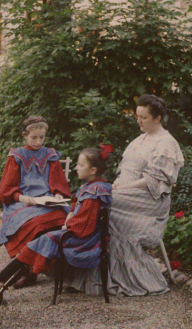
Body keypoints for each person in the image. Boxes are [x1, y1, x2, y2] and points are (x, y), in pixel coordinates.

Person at [65, 94, 184, 296]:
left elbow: (153, 181)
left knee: (103, 202)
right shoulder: (140, 139)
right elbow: (124, 172)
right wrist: (116, 185)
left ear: (157, 118)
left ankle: (112, 276)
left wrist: (120, 189)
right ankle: (84, 271)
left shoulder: (166, 144)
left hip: (149, 201)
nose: (138, 120)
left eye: (143, 117)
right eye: (137, 116)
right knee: (93, 198)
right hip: (127, 193)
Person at [0, 147, 113, 305]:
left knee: (38, 245)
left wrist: (67, 224)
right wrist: (71, 214)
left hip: (82, 241)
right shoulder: (90, 187)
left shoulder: (95, 191)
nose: (76, 168)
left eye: (80, 165)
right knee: (36, 247)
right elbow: (76, 206)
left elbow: (85, 225)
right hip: (76, 235)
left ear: (93, 170)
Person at [0, 116, 71, 290]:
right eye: (34, 137)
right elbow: (6, 188)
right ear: (25, 135)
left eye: (42, 137)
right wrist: (22, 197)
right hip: (23, 201)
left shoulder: (50, 155)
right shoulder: (17, 155)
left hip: (46, 201)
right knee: (36, 224)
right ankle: (28, 272)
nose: (38, 141)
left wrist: (57, 195)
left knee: (60, 218)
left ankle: (29, 273)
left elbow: (58, 182)